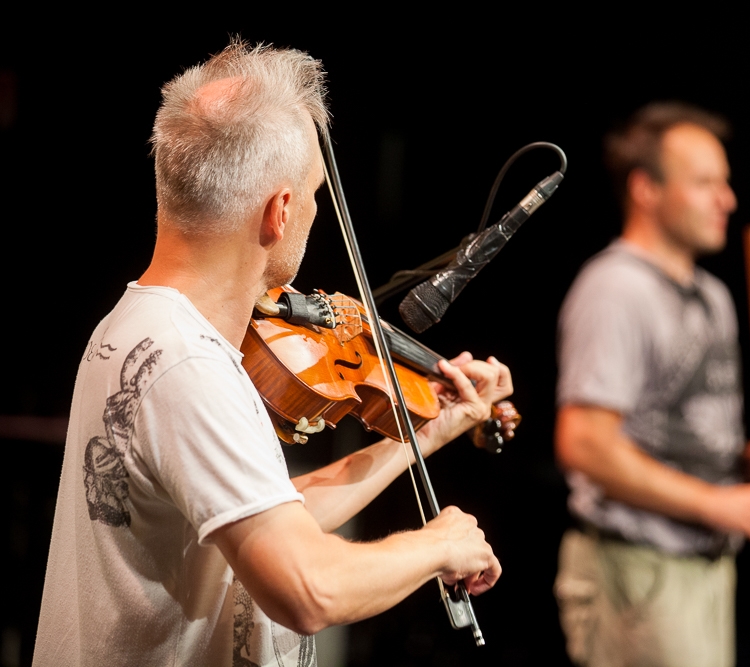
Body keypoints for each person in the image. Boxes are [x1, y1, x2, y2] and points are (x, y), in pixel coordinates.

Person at [33, 41, 510, 667]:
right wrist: (439, 544)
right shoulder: (187, 364)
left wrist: (432, 429)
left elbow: (269, 516)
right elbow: (306, 588)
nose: (315, 209)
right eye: (314, 193)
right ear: (281, 211)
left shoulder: (141, 327)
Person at [552, 101, 750, 667]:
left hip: (707, 570)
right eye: (705, 183)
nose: (727, 199)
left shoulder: (715, 297)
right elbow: (584, 443)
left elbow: (684, 439)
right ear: (646, 189)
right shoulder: (615, 289)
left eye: (725, 182)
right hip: (638, 573)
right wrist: (719, 504)